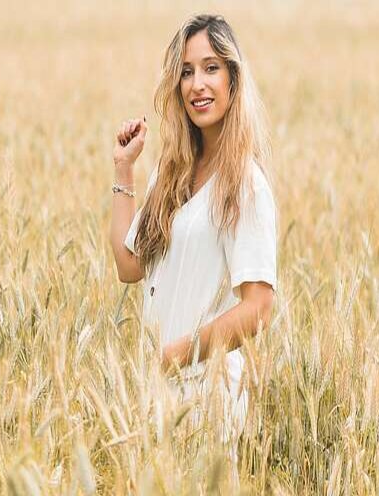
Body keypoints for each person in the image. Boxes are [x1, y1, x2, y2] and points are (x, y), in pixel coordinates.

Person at [108, 13, 278, 471]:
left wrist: (177, 354)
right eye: (186, 71)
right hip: (156, 398)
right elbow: (129, 264)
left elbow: (259, 306)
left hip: (211, 404)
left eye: (210, 68)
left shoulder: (245, 184)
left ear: (233, 79)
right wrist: (124, 169)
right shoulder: (172, 172)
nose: (197, 84)